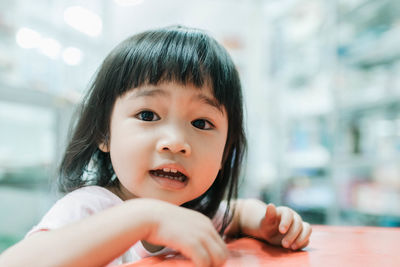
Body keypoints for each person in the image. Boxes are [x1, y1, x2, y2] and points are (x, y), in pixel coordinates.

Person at [0, 25, 311, 267]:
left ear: (225, 153)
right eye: (148, 115)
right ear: (104, 134)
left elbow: (238, 213)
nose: (176, 142)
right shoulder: (90, 207)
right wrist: (144, 217)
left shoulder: (194, 212)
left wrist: (266, 223)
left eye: (201, 123)